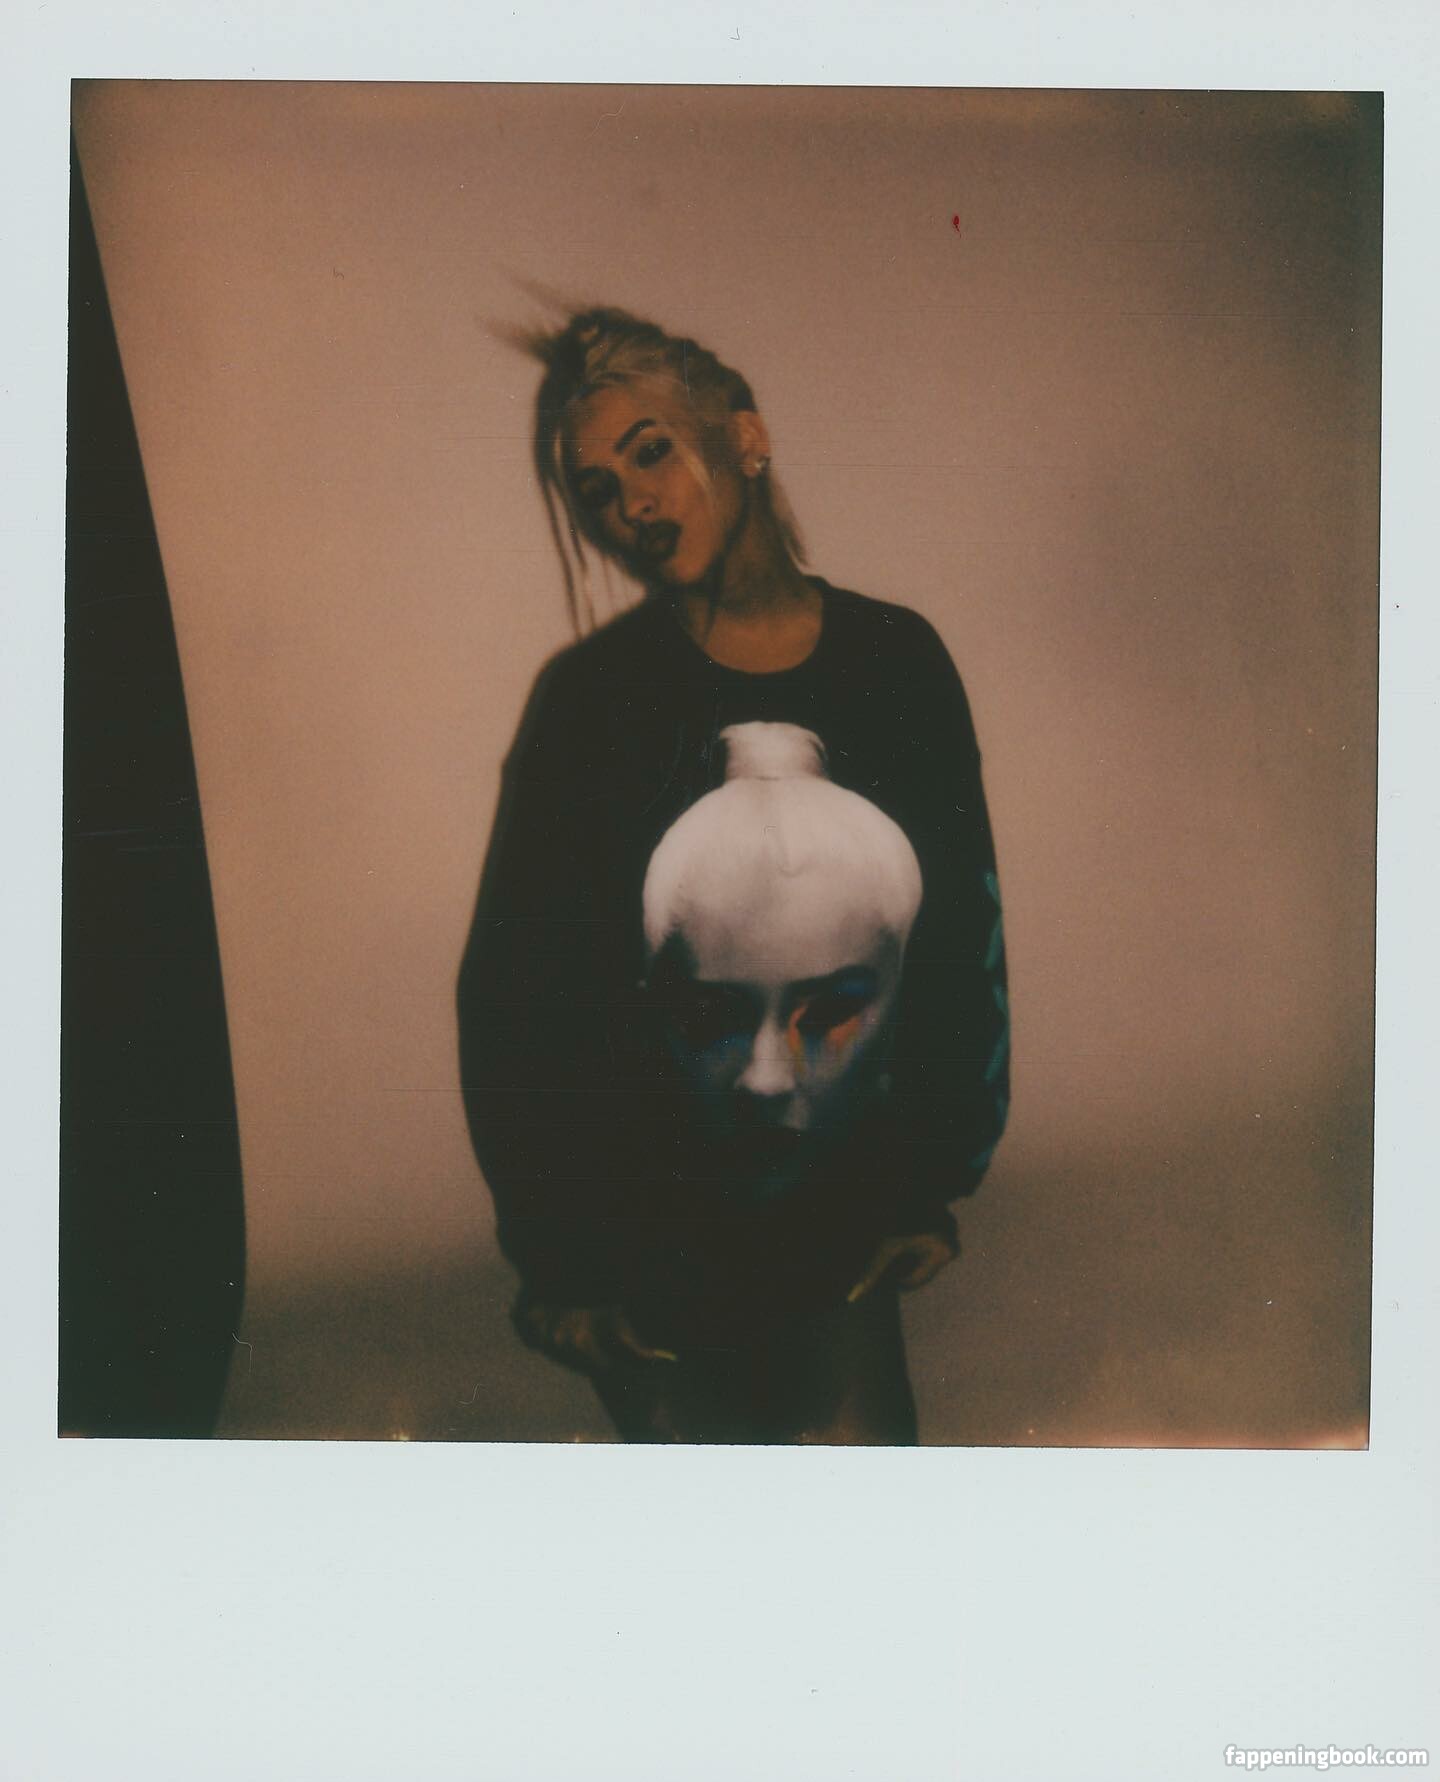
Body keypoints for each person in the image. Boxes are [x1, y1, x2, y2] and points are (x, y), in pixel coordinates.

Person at [458, 306, 1009, 1443]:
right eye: (599, 490)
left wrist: (930, 1185)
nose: (631, 505)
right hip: (647, 1251)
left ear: (744, 436)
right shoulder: (593, 703)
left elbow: (961, 937)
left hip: (838, 1232)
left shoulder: (898, 660)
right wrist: (564, 1262)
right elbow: (519, 995)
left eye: (650, 452)